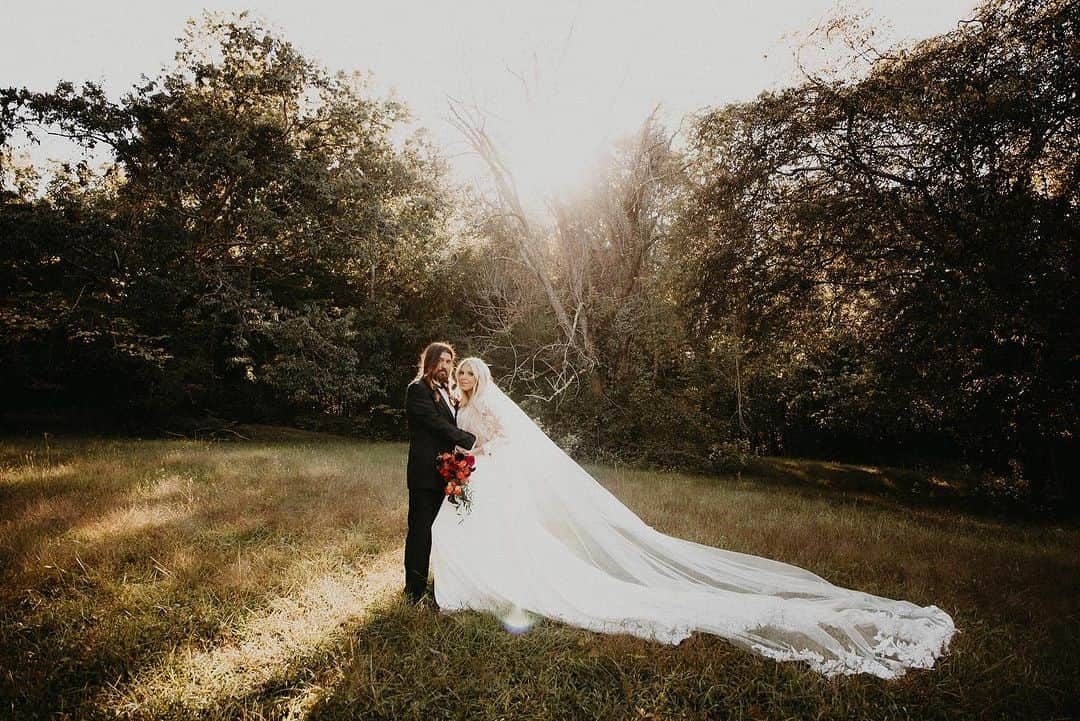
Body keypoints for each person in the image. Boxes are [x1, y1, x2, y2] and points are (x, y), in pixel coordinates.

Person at [430, 357, 957, 679]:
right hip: (477, 477)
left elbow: (503, 438)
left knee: (495, 535)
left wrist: (479, 453)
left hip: (489, 472)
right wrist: (465, 457)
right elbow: (463, 431)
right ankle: (480, 582)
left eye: (472, 373)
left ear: (483, 378)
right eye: (464, 374)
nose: (468, 379)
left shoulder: (488, 405)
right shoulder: (457, 401)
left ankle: (500, 584)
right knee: (465, 530)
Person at [403, 342, 476, 605]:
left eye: (449, 362)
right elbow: (435, 424)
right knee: (420, 531)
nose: (445, 366)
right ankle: (413, 591)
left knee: (443, 530)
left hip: (447, 473)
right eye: (441, 361)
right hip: (424, 473)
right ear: (429, 361)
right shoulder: (418, 389)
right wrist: (471, 440)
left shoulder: (448, 392)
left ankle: (444, 584)